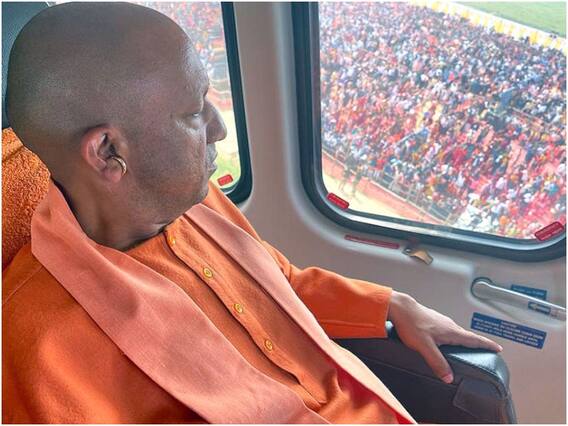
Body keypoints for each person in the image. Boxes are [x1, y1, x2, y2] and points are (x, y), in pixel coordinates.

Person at [3, 3, 502, 424]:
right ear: (108, 152)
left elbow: (278, 284)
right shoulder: (43, 350)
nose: (219, 128)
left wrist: (390, 305)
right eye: (193, 112)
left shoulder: (196, 202)